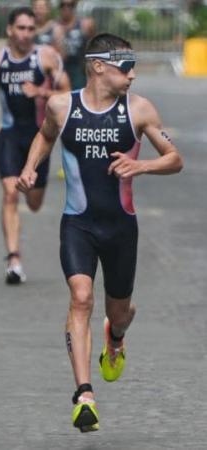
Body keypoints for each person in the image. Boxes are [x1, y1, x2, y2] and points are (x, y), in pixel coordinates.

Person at [16, 33, 183, 432]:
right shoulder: (62, 106)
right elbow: (44, 135)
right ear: (97, 66)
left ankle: (117, 336)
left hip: (121, 227)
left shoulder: (139, 111)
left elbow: (175, 158)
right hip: (78, 223)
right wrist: (30, 167)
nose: (133, 75)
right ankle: (84, 394)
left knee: (118, 311)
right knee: (81, 297)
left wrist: (139, 166)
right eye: (125, 68)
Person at [0, 7, 69, 284]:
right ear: (9, 30)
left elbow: (69, 92)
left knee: (34, 202)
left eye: (31, 29)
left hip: (41, 139)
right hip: (10, 135)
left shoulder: (46, 57)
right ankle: (13, 259)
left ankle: (32, 197)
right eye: (21, 28)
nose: (26, 34)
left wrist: (41, 92)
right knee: (10, 194)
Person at [55, 0, 95, 90]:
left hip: (79, 68)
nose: (66, 8)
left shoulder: (85, 24)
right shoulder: (54, 25)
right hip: (61, 68)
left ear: (75, 6)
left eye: (70, 5)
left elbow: (94, 45)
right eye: (63, 5)